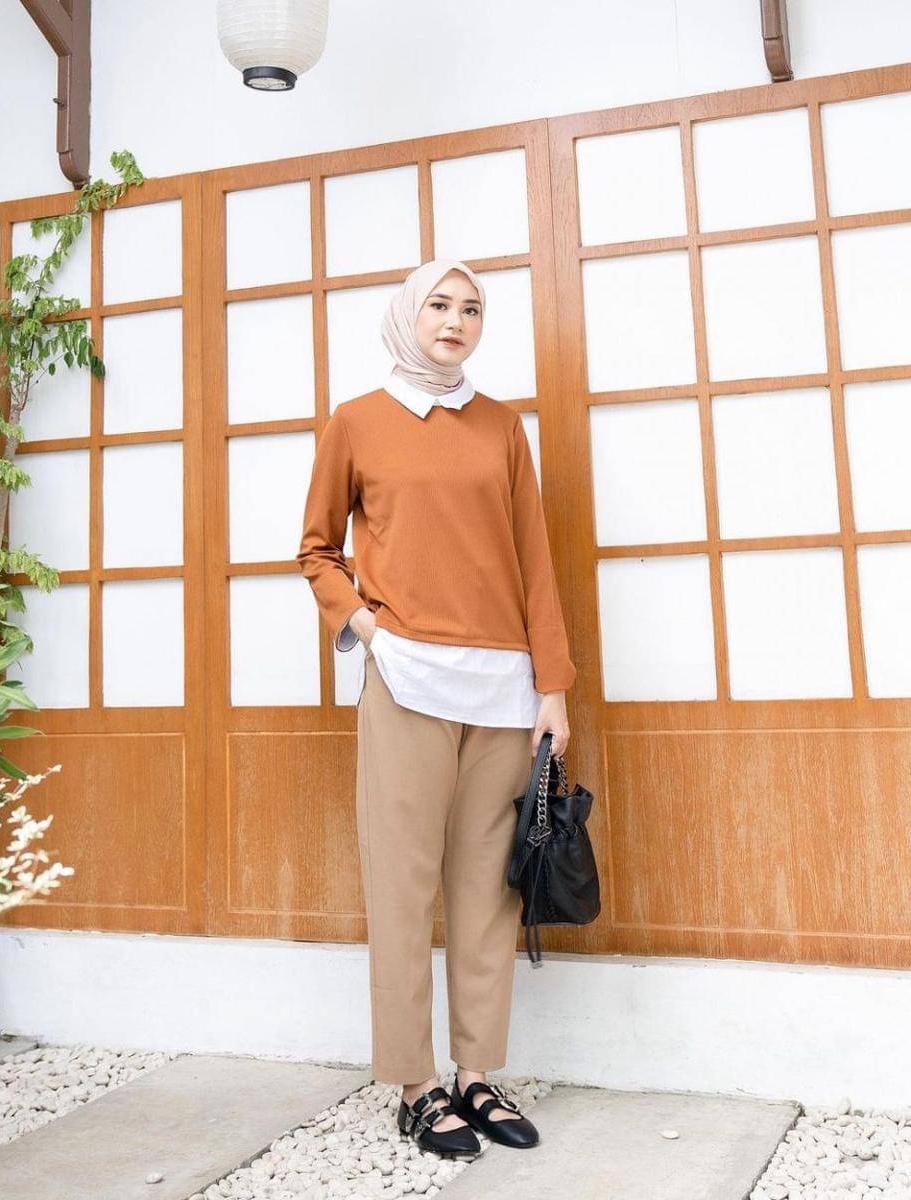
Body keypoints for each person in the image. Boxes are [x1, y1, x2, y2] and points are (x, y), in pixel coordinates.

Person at [297, 258, 575, 1158]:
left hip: (503, 689)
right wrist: (367, 629)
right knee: (403, 884)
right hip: (408, 681)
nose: (456, 321)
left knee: (487, 893)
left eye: (472, 309)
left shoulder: (502, 427)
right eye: (440, 306)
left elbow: (534, 559)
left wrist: (553, 687)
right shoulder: (357, 421)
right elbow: (316, 549)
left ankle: (476, 1076)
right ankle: (416, 1087)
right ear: (407, 316)